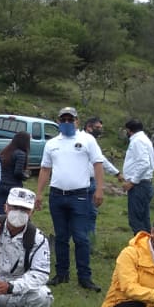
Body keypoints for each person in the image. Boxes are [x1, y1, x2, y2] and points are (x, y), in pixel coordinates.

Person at [34, 106, 105, 292]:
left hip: (80, 195)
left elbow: (98, 164)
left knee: (81, 238)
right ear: (58, 122)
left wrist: (99, 189)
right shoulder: (52, 143)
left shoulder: (87, 139)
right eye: (63, 119)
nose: (66, 123)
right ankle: (62, 273)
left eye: (70, 119)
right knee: (61, 237)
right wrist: (39, 194)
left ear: (77, 121)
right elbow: (45, 169)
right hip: (57, 195)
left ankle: (85, 277)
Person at [82, 117, 122, 237]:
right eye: (97, 128)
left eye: (100, 128)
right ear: (89, 127)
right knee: (84, 213)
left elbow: (101, 160)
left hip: (91, 181)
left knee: (91, 212)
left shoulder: (92, 141)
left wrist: (116, 172)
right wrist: (117, 173)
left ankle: (89, 240)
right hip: (81, 182)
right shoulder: (82, 140)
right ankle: (85, 240)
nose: (99, 131)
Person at [122, 118, 154, 234]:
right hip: (143, 184)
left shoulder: (137, 141)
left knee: (137, 221)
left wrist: (132, 182)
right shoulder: (144, 139)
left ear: (128, 130)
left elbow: (144, 163)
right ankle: (148, 248)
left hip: (139, 185)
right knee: (143, 219)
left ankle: (141, 249)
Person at [0, 131, 31, 210]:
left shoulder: (3, 152)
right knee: (12, 211)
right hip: (13, 186)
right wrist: (26, 176)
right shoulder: (21, 154)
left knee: (0, 211)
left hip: (0, 185)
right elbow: (18, 172)